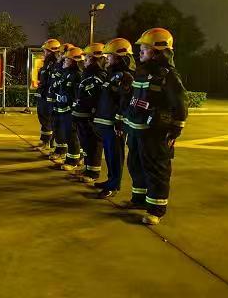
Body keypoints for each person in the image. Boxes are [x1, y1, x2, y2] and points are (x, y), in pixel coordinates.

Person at [124, 28, 188, 225]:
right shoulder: (141, 72)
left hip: (155, 132)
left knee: (156, 170)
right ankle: (139, 199)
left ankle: (156, 210)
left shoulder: (168, 75)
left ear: (158, 51)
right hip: (136, 129)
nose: (140, 52)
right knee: (135, 164)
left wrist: (175, 129)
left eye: (144, 49)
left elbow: (180, 103)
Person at [90, 39, 135, 198]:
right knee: (109, 155)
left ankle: (114, 185)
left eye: (109, 56)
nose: (106, 58)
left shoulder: (125, 77)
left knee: (115, 155)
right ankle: (110, 180)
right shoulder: (112, 75)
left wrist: (119, 122)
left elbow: (124, 102)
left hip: (114, 125)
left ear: (120, 57)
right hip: (106, 123)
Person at [65, 43, 108, 177]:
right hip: (82, 115)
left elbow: (95, 99)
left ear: (97, 60)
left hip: (90, 116)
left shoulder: (99, 76)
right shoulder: (87, 73)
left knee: (93, 144)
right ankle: (88, 167)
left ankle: (93, 172)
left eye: (88, 58)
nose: (85, 61)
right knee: (86, 143)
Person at [49, 46, 84, 169]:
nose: (64, 61)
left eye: (67, 59)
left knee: (72, 136)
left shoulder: (77, 75)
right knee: (66, 134)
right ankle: (72, 158)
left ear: (74, 61)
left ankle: (73, 161)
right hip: (62, 108)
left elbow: (77, 96)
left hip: (70, 111)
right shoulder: (66, 73)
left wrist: (73, 109)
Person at [48, 43, 75, 160]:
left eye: (62, 53)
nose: (59, 55)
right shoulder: (59, 65)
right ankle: (60, 149)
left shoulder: (70, 70)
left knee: (69, 132)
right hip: (58, 102)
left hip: (66, 106)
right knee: (57, 127)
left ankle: (68, 154)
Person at [36, 39, 61, 152]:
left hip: (49, 96)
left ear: (51, 51)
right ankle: (44, 140)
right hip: (43, 95)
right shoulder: (47, 63)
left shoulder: (55, 64)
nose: (44, 53)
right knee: (43, 118)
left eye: (45, 51)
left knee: (49, 120)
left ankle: (49, 142)